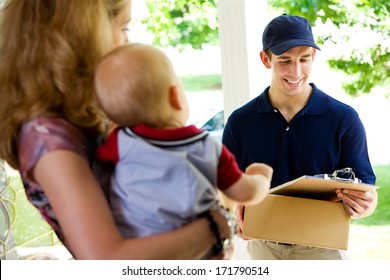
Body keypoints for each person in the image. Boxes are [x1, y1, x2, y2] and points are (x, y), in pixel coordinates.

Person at [0, 0, 234, 260]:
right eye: (124, 28)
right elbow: (108, 257)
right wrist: (215, 227)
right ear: (85, 34)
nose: (125, 42)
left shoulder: (88, 114)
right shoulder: (48, 138)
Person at [93, 43, 273, 258]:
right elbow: (246, 193)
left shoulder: (118, 142)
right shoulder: (206, 146)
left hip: (143, 252)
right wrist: (261, 175)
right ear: (175, 96)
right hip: (202, 253)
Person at [222, 14, 378, 260]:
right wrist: (233, 207)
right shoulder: (240, 122)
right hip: (264, 249)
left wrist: (366, 205)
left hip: (323, 251)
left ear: (313, 57)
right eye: (284, 60)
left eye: (304, 59)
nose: (296, 71)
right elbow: (225, 188)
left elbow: (367, 190)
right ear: (266, 59)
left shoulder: (343, 119)